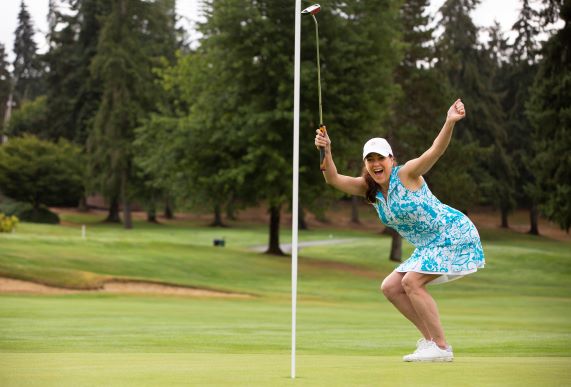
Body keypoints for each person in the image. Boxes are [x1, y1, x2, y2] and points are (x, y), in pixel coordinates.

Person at [314, 99, 485, 362]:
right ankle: (430, 343)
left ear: (391, 159)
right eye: (370, 160)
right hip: (430, 245)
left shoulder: (407, 174)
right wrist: (326, 151)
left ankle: (440, 347)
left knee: (411, 282)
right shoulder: (368, 188)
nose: (375, 164)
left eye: (380, 158)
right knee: (391, 287)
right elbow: (333, 179)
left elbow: (435, 151)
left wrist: (450, 121)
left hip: (453, 233)